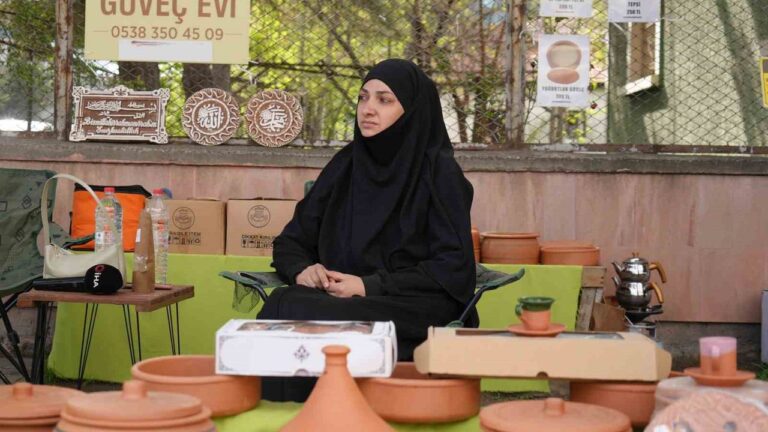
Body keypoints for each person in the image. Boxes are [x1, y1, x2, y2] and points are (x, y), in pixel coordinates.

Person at [257, 58, 476, 401]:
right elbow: (291, 240)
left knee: (302, 312)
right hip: (338, 296)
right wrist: (302, 269)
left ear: (412, 111)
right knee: (284, 302)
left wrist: (368, 285)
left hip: (410, 303)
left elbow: (452, 266)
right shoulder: (346, 166)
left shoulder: (439, 173)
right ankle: (286, 411)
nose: (368, 109)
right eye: (363, 98)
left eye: (384, 100)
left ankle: (316, 409)